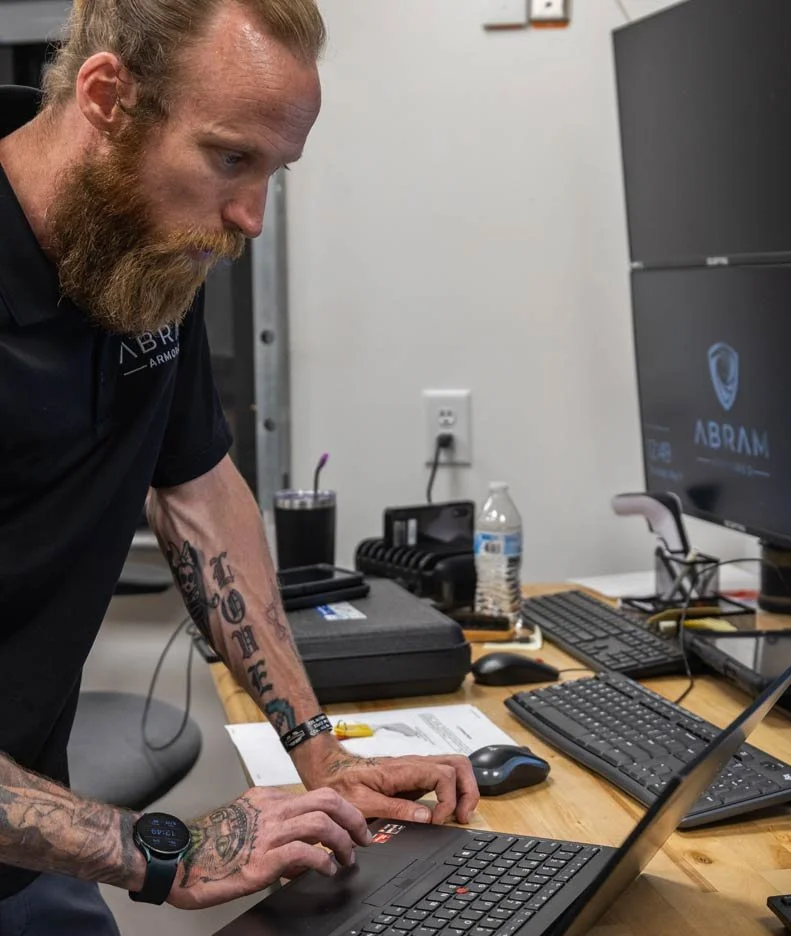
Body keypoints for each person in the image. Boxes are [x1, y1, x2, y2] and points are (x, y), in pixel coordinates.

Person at [0, 0, 479, 930]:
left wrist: (318, 749)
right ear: (106, 97)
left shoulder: (139, 242)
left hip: (28, 832)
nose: (249, 217)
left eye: (273, 171)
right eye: (229, 158)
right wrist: (154, 851)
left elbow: (197, 489)